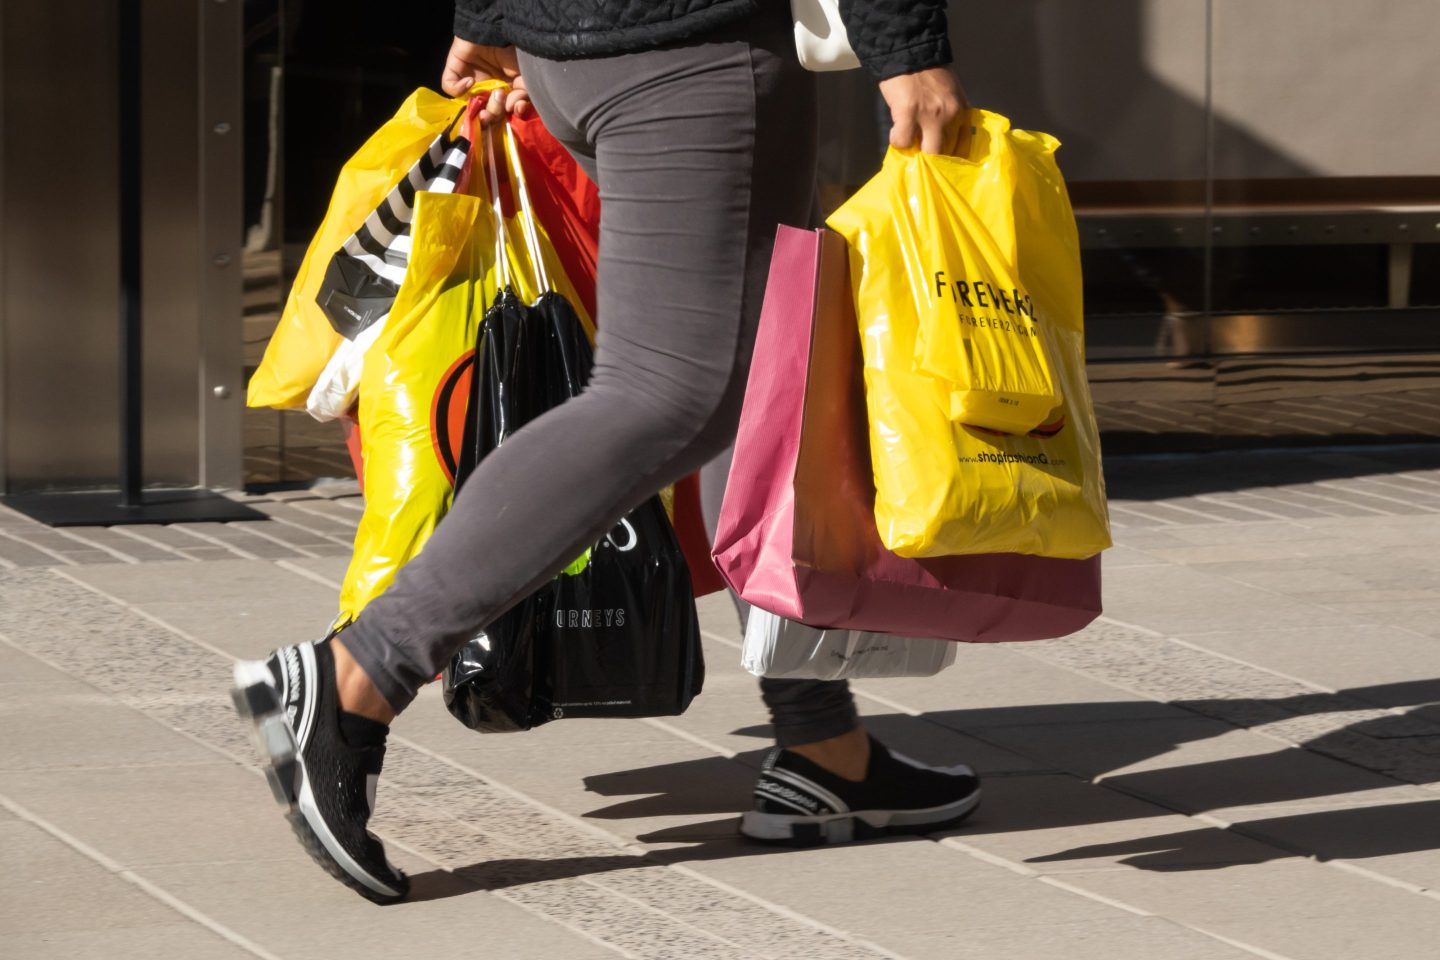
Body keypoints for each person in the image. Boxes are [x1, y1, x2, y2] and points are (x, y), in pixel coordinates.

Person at [232, 0, 979, 904]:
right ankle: (358, 672)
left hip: (583, 48)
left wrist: (490, 7)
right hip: (686, 49)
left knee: (755, 370)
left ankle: (824, 744)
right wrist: (907, 47)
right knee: (675, 391)